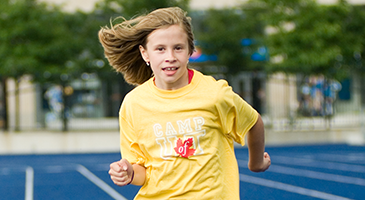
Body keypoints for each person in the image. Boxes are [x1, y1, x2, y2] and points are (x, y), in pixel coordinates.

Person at [98, 7, 270, 199]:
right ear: (145, 54)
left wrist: (256, 163)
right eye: (160, 49)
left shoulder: (215, 94)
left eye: (178, 48)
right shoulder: (133, 104)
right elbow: (142, 171)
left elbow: (254, 122)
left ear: (190, 51)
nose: (170, 57)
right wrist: (129, 173)